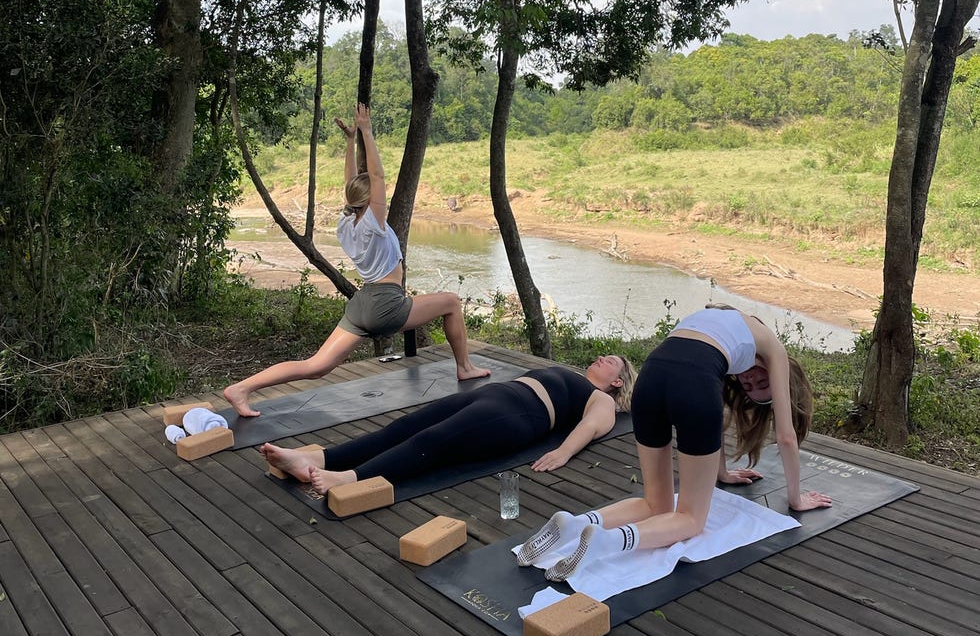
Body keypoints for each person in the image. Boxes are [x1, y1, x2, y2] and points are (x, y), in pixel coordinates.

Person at [516, 305, 831, 579]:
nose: (750, 380)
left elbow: (713, 421)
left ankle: (576, 524)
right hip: (689, 383)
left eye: (755, 387)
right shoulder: (774, 348)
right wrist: (796, 499)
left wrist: (720, 474)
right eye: (759, 381)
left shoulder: (727, 322)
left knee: (657, 504)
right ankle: (607, 541)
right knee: (691, 519)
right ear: (785, 380)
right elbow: (786, 437)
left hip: (651, 377)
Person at [224, 103, 490, 417]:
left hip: (361, 304)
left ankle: (241, 388)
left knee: (316, 366)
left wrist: (350, 142)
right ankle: (465, 367)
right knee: (452, 302)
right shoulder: (373, 224)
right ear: (371, 199)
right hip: (385, 304)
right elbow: (376, 175)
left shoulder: (346, 222)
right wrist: (366, 131)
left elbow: (353, 184)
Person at [258, 353, 637, 494]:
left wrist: (563, 453)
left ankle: (351, 479)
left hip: (518, 416)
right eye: (604, 355)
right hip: (495, 396)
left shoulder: (603, 400)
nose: (604, 358)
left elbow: (590, 427)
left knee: (433, 440)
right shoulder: (571, 372)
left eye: (612, 362)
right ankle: (321, 459)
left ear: (618, 381)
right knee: (402, 427)